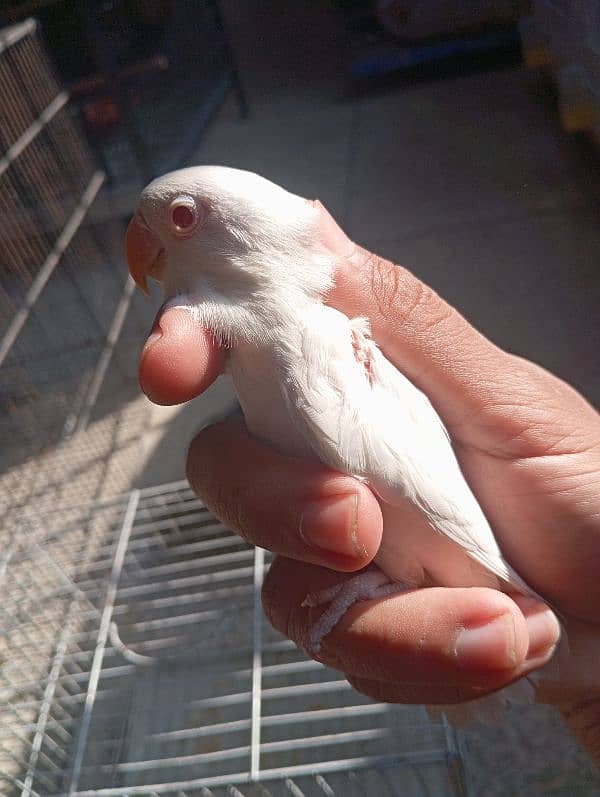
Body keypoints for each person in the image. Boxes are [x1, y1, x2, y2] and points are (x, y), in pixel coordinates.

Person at [138, 200, 600, 762]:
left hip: (476, 571)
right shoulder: (253, 339)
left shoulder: (311, 336)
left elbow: (412, 491)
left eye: (181, 215)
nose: (145, 237)